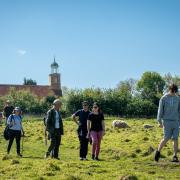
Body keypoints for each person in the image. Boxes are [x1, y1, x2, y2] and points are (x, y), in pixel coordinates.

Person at [155, 84, 180, 162]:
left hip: (176, 122)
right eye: (172, 91)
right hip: (166, 121)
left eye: (175, 91)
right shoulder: (164, 98)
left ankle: (175, 156)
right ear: (169, 90)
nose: (173, 93)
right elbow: (160, 110)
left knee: (175, 138)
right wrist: (159, 121)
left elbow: (179, 111)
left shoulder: (178, 98)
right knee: (166, 138)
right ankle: (158, 152)